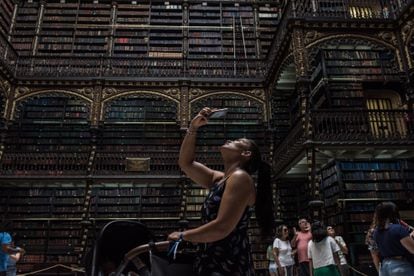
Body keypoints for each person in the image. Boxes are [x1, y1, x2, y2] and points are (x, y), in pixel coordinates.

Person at [167, 107, 274, 275]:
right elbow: (186, 163)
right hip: (213, 259)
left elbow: (222, 227)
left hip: (227, 263)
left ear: (246, 153)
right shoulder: (221, 179)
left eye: (237, 141)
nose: (230, 139)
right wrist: (193, 128)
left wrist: (183, 235)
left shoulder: (240, 178)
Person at [372, 202, 414, 276]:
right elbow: (412, 249)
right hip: (400, 266)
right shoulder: (398, 229)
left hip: (384, 267)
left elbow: (376, 252)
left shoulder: (376, 232)